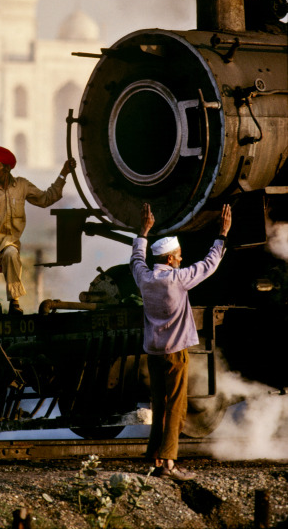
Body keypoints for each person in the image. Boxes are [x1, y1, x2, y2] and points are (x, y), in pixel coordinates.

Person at [130, 202, 232, 481]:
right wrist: (222, 234)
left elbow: (136, 258)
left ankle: (156, 458)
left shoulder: (144, 278)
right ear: (172, 259)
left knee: (159, 404)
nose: (182, 260)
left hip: (152, 352)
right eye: (180, 256)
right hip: (175, 354)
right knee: (176, 406)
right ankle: (169, 465)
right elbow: (210, 264)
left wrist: (143, 231)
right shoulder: (178, 279)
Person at [0, 145, 76, 315]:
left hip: (8, 242)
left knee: (11, 253)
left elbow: (46, 198)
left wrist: (63, 174)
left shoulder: (22, 186)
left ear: (6, 168)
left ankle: (14, 302)